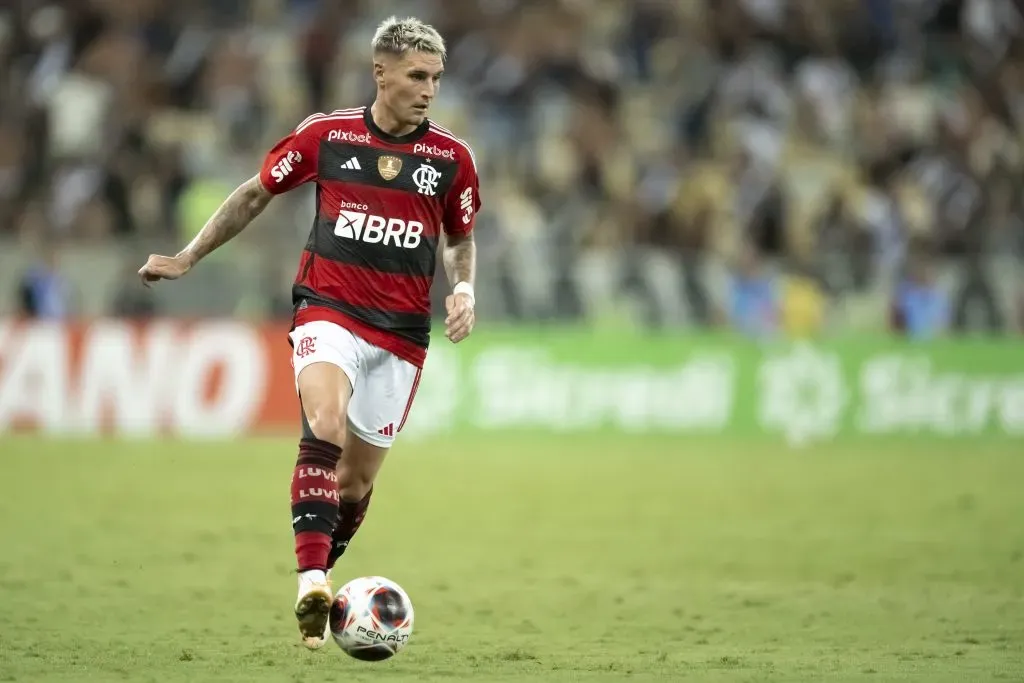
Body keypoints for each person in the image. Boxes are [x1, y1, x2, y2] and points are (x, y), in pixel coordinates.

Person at [137, 16, 480, 649]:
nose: (429, 89)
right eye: (416, 76)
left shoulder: (451, 159)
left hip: (403, 332)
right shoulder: (328, 136)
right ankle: (311, 581)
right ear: (381, 72)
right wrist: (187, 256)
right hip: (329, 308)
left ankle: (324, 581)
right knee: (323, 422)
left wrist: (462, 287)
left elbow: (459, 239)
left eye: (436, 78)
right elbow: (252, 194)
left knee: (354, 483)